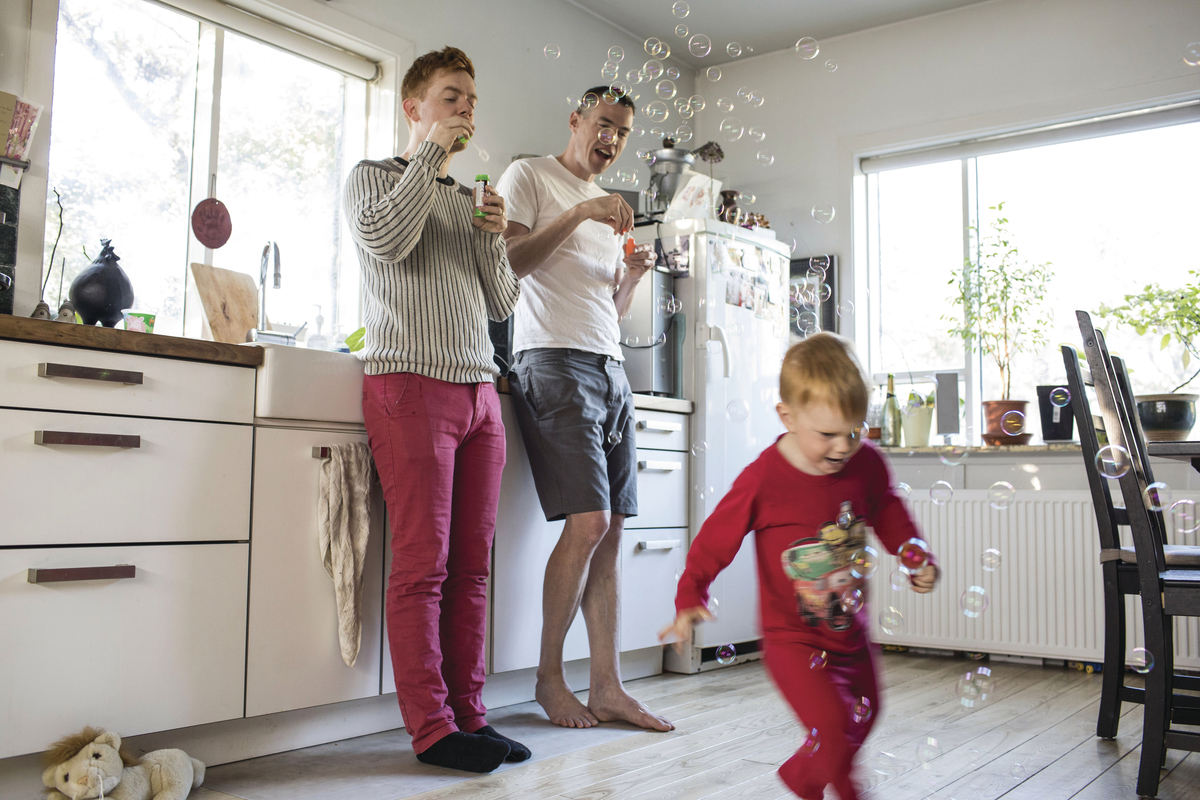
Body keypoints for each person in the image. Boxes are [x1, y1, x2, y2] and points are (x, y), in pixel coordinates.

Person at [343, 46, 526, 774]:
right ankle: (431, 729)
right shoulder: (373, 178)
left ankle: (471, 718)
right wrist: (429, 159)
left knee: (473, 569)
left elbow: (503, 303)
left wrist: (492, 238)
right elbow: (384, 241)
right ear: (412, 107)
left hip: (481, 392)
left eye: (471, 100)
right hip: (410, 386)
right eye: (452, 97)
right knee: (423, 566)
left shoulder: (461, 199)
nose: (465, 111)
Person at [659, 333, 940, 800]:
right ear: (787, 417)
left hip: (851, 631)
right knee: (831, 727)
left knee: (866, 714)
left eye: (854, 431)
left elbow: (887, 509)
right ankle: (826, 786)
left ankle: (823, 780)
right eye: (827, 434)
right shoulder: (765, 478)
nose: (842, 447)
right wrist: (691, 594)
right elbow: (714, 541)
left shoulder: (865, 464)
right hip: (793, 639)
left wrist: (914, 554)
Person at [496, 88, 669, 731]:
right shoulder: (531, 175)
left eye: (623, 132)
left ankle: (607, 687)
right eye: (604, 125)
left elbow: (607, 310)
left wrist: (631, 278)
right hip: (552, 363)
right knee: (590, 522)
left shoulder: (610, 211)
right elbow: (510, 264)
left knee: (613, 529)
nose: (612, 139)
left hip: (608, 365)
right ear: (575, 121)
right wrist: (581, 213)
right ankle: (548, 679)